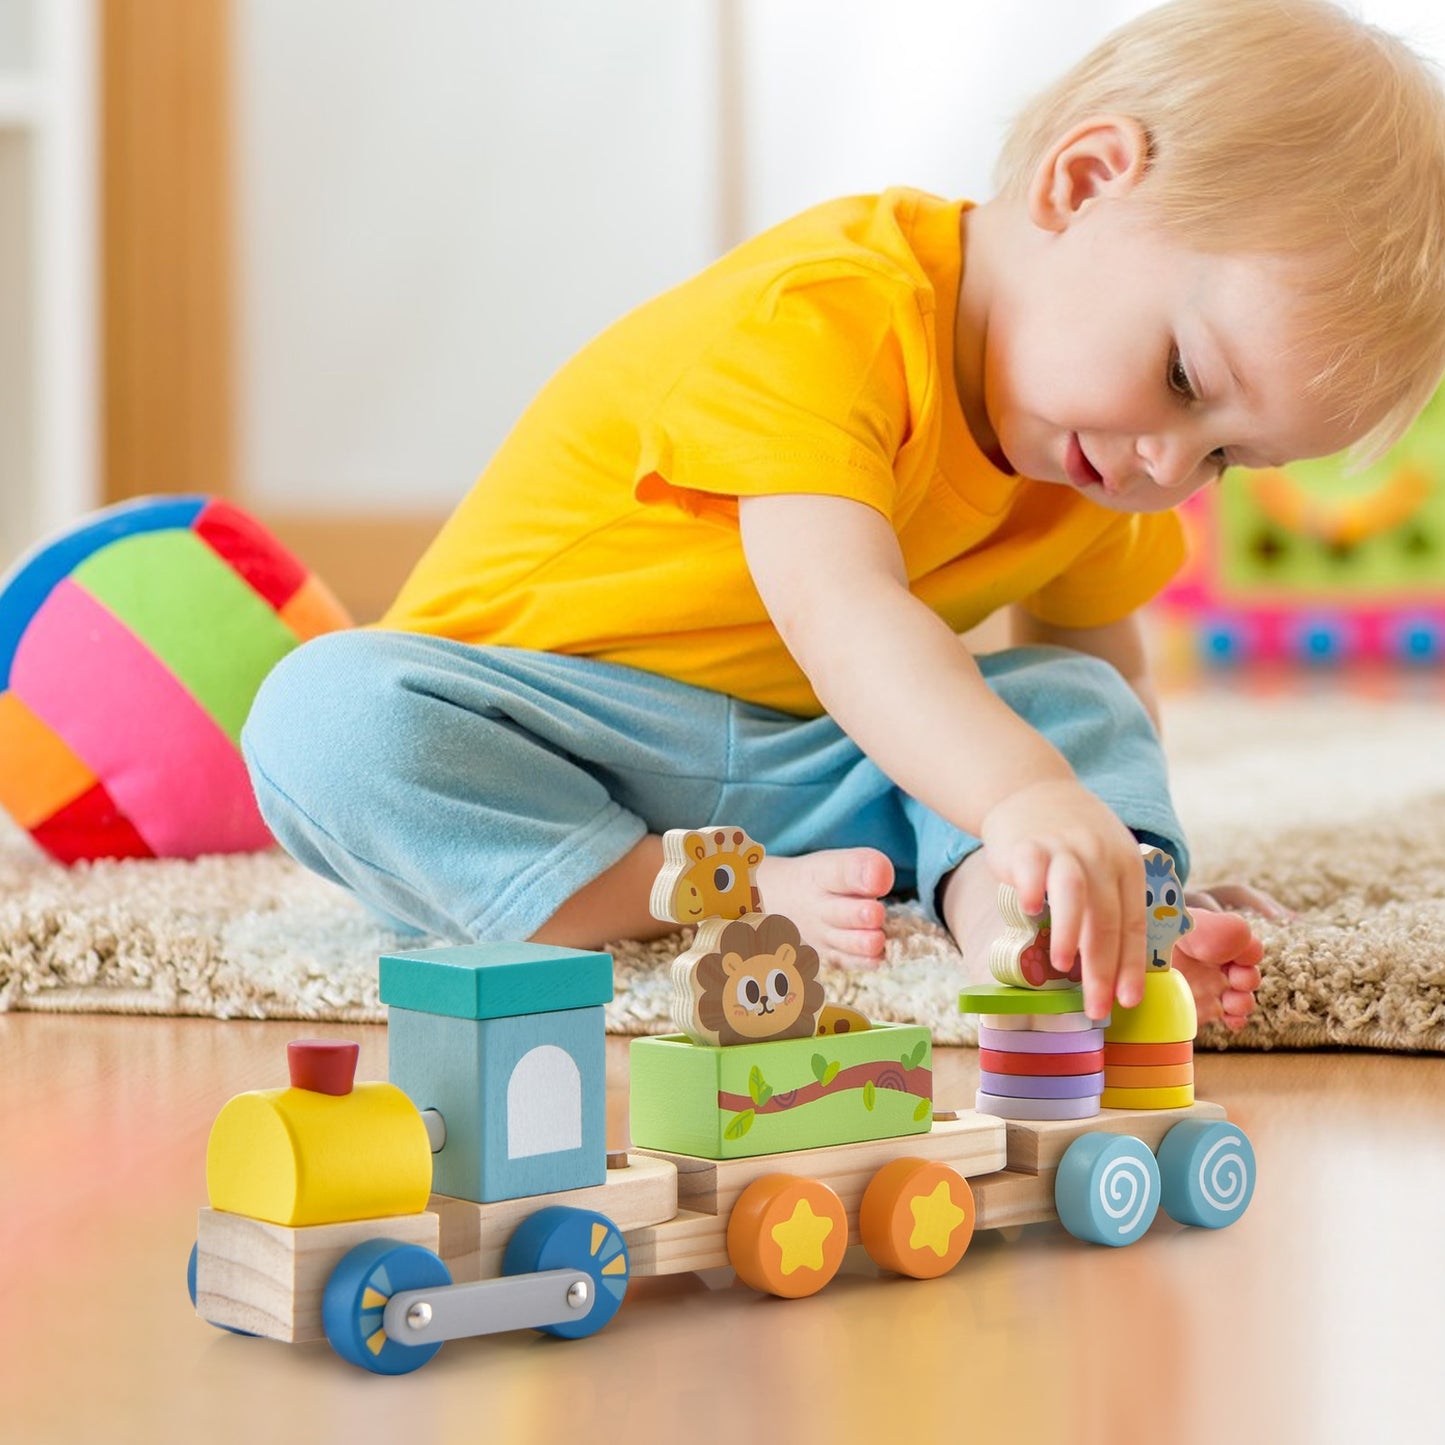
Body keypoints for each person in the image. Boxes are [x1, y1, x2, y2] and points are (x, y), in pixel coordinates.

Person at [242, 0, 1445, 1031]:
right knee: (326, 717)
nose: (1163, 465)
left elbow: (1093, 676)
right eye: (1183, 377)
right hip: (551, 730)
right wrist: (1022, 788)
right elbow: (841, 609)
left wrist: (1108, 839)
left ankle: (1042, 928)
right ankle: (656, 888)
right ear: (1081, 183)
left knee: (1069, 705)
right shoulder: (828, 312)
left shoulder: (1102, 463)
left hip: (815, 766)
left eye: (1226, 457)